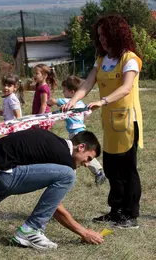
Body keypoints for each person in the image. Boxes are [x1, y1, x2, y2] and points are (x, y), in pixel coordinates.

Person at [0, 128, 104, 249]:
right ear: (81, 147)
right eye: (88, 158)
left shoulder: (53, 141)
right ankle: (31, 230)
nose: (86, 164)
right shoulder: (63, 156)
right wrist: (84, 232)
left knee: (11, 176)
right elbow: (55, 208)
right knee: (68, 175)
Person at [61, 15, 143, 229]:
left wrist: (103, 100)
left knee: (127, 168)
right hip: (110, 123)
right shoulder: (102, 60)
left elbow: (126, 88)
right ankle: (115, 211)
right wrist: (73, 101)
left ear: (117, 35)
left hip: (127, 121)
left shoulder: (130, 59)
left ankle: (130, 214)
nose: (103, 40)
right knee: (112, 168)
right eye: (100, 36)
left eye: (106, 35)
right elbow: (87, 84)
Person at [47, 76, 106, 186]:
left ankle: (73, 175)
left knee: (74, 153)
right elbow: (86, 114)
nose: (63, 93)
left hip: (75, 133)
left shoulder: (69, 101)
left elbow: (54, 100)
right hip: (81, 130)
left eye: (64, 90)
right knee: (80, 153)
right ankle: (96, 171)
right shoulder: (82, 103)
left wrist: (48, 102)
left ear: (72, 92)